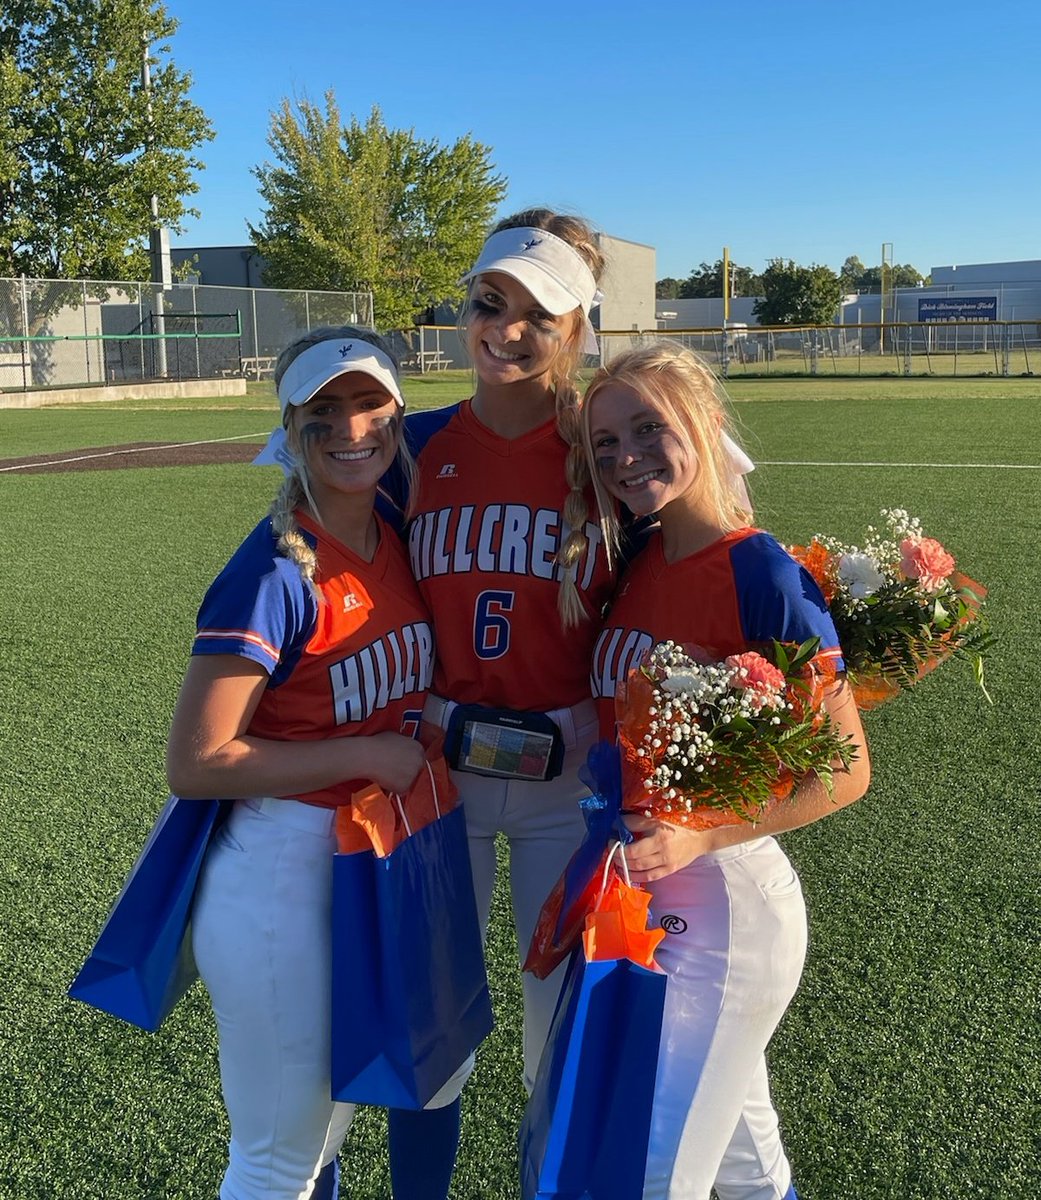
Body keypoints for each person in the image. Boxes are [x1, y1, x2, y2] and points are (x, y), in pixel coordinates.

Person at [582, 341, 872, 1200]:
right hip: (644, 894)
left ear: (705, 424)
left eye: (647, 428)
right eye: (604, 444)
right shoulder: (639, 559)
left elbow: (846, 771)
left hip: (725, 907)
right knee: (745, 1162)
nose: (625, 457)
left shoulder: (761, 572)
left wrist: (702, 832)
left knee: (655, 1170)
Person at [166, 328, 434, 1200]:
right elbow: (198, 762)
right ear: (288, 426)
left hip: (359, 862)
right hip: (279, 877)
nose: (352, 428)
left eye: (370, 406)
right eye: (324, 411)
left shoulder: (390, 532)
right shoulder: (274, 571)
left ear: (398, 415)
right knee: (279, 1158)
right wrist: (366, 751)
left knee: (324, 1140)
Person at [378, 210, 617, 1187]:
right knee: (428, 1040)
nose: (505, 330)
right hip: (440, 778)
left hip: (575, 783)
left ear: (577, 326)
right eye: (490, 303)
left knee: (560, 1040)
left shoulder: (611, 455)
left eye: (538, 313)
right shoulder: (406, 447)